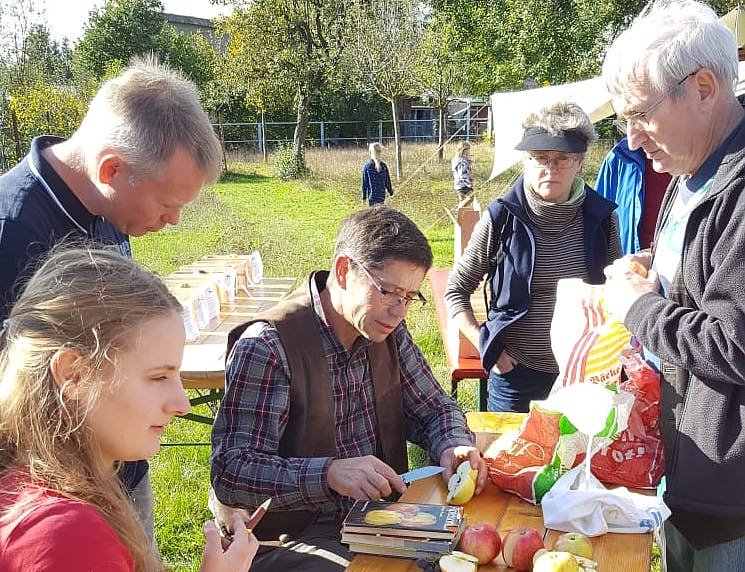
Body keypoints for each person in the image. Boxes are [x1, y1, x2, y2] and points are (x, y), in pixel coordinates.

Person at [0, 55, 222, 550]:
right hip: (54, 507)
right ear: (112, 169)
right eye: (168, 206)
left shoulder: (106, 209)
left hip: (113, 473)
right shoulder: (13, 232)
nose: (174, 222)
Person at [210, 206, 487, 571]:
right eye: (388, 291)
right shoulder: (268, 347)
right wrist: (328, 474)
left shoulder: (385, 331)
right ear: (343, 271)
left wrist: (454, 444)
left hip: (378, 518)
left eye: (409, 297)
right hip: (288, 538)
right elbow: (232, 471)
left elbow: (435, 407)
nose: (399, 311)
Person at [0, 246, 258, 571]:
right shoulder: (66, 536)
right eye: (158, 377)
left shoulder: (42, 489)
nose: (181, 404)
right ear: (74, 374)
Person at [600, 1, 745, 570]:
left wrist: (639, 307)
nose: (633, 140)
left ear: (704, 87)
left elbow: (734, 344)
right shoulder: (692, 172)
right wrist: (656, 271)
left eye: (640, 115)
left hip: (731, 498)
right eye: (622, 121)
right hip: (690, 472)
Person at [444, 101, 621, 412]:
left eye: (562, 159)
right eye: (539, 158)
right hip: (516, 377)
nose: (549, 168)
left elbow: (614, 297)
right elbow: (455, 291)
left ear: (579, 162)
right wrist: (489, 348)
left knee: (576, 461)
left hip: (583, 377)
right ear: (525, 160)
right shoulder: (501, 217)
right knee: (511, 460)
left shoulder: (602, 219)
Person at [595, 134, 672, 254]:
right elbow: (598, 226)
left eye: (641, 117)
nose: (632, 138)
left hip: (686, 267)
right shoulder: (619, 157)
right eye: (627, 121)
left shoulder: (702, 162)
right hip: (631, 266)